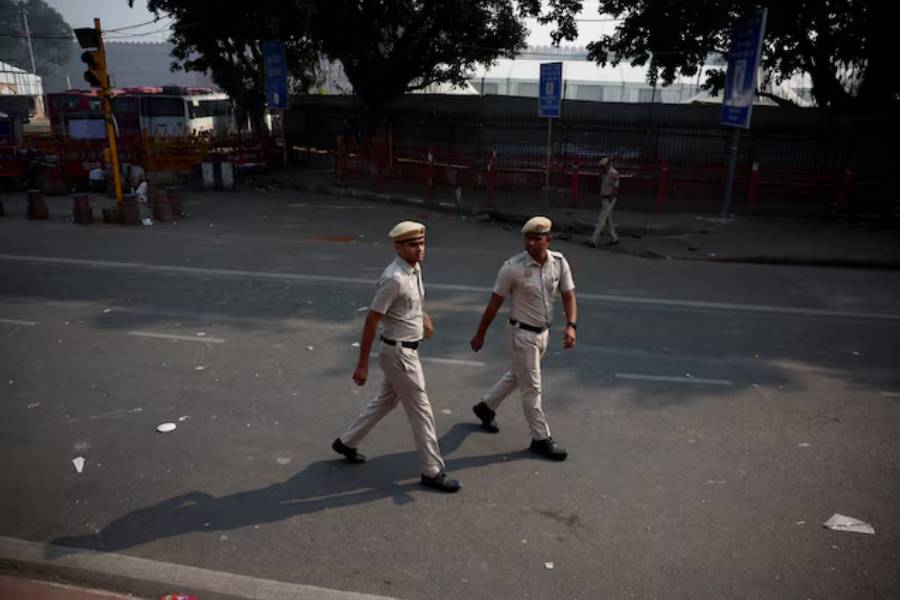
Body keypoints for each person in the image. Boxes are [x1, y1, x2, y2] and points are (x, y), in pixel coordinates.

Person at [332, 220, 461, 493]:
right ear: (398, 247)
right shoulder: (393, 278)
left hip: (404, 349)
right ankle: (432, 470)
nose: (419, 249)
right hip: (399, 354)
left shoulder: (414, 270)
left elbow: (412, 304)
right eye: (413, 245)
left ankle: (347, 441)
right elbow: (371, 320)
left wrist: (424, 319)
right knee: (422, 411)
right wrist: (362, 365)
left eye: (422, 243)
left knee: (386, 401)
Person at [469, 216, 577, 461]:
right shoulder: (512, 268)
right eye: (528, 238)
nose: (531, 243)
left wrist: (571, 326)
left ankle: (485, 407)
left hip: (543, 333)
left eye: (537, 239)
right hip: (522, 335)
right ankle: (541, 439)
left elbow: (569, 295)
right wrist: (480, 334)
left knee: (518, 375)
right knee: (532, 389)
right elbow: (493, 305)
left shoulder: (559, 263)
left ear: (548, 240)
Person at [588, 156, 620, 247]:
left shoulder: (613, 173)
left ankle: (593, 240)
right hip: (603, 198)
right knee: (608, 221)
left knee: (601, 220)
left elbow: (616, 187)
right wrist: (600, 174)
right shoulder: (604, 173)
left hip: (609, 199)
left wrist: (611, 197)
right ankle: (614, 238)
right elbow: (598, 183)